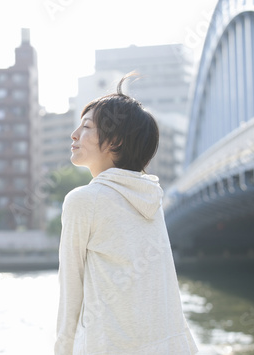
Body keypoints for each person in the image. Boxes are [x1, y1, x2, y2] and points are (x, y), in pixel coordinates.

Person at [54, 74, 198, 355]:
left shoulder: (84, 201)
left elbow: (70, 292)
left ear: (115, 141)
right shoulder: (150, 198)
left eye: (86, 127)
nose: (74, 134)